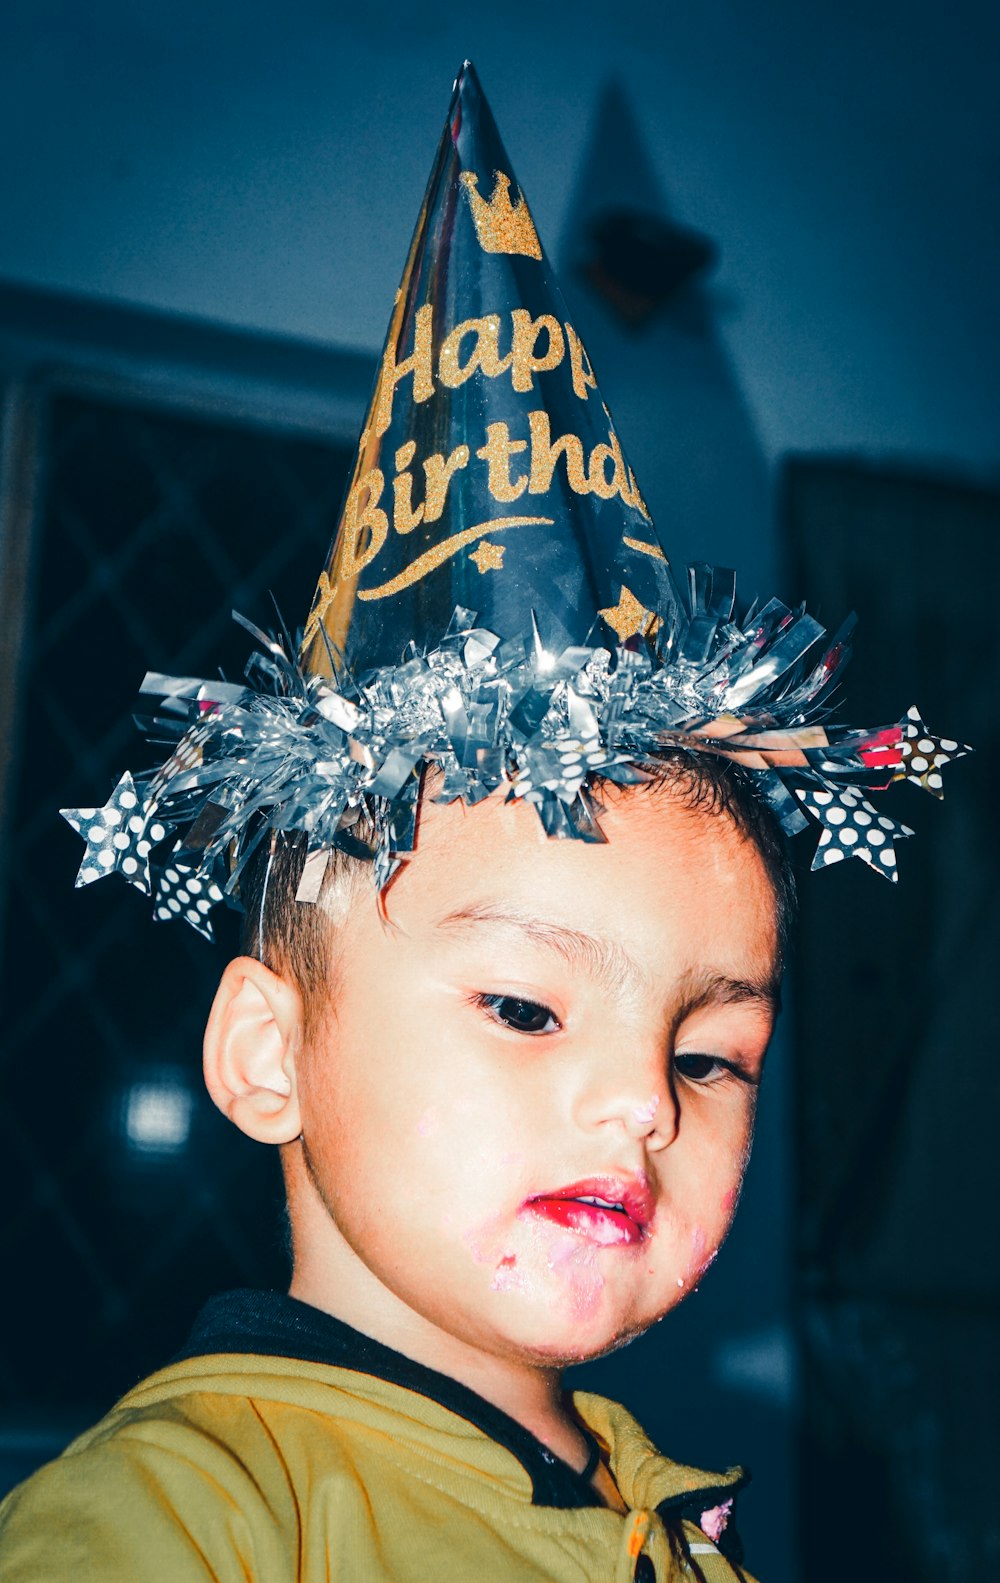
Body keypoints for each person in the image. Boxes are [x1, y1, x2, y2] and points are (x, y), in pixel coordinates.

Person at [0, 61, 963, 1583]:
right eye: (525, 1003)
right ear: (267, 1055)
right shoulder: (178, 1524)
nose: (642, 1103)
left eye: (713, 1054)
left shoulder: (687, 1533)